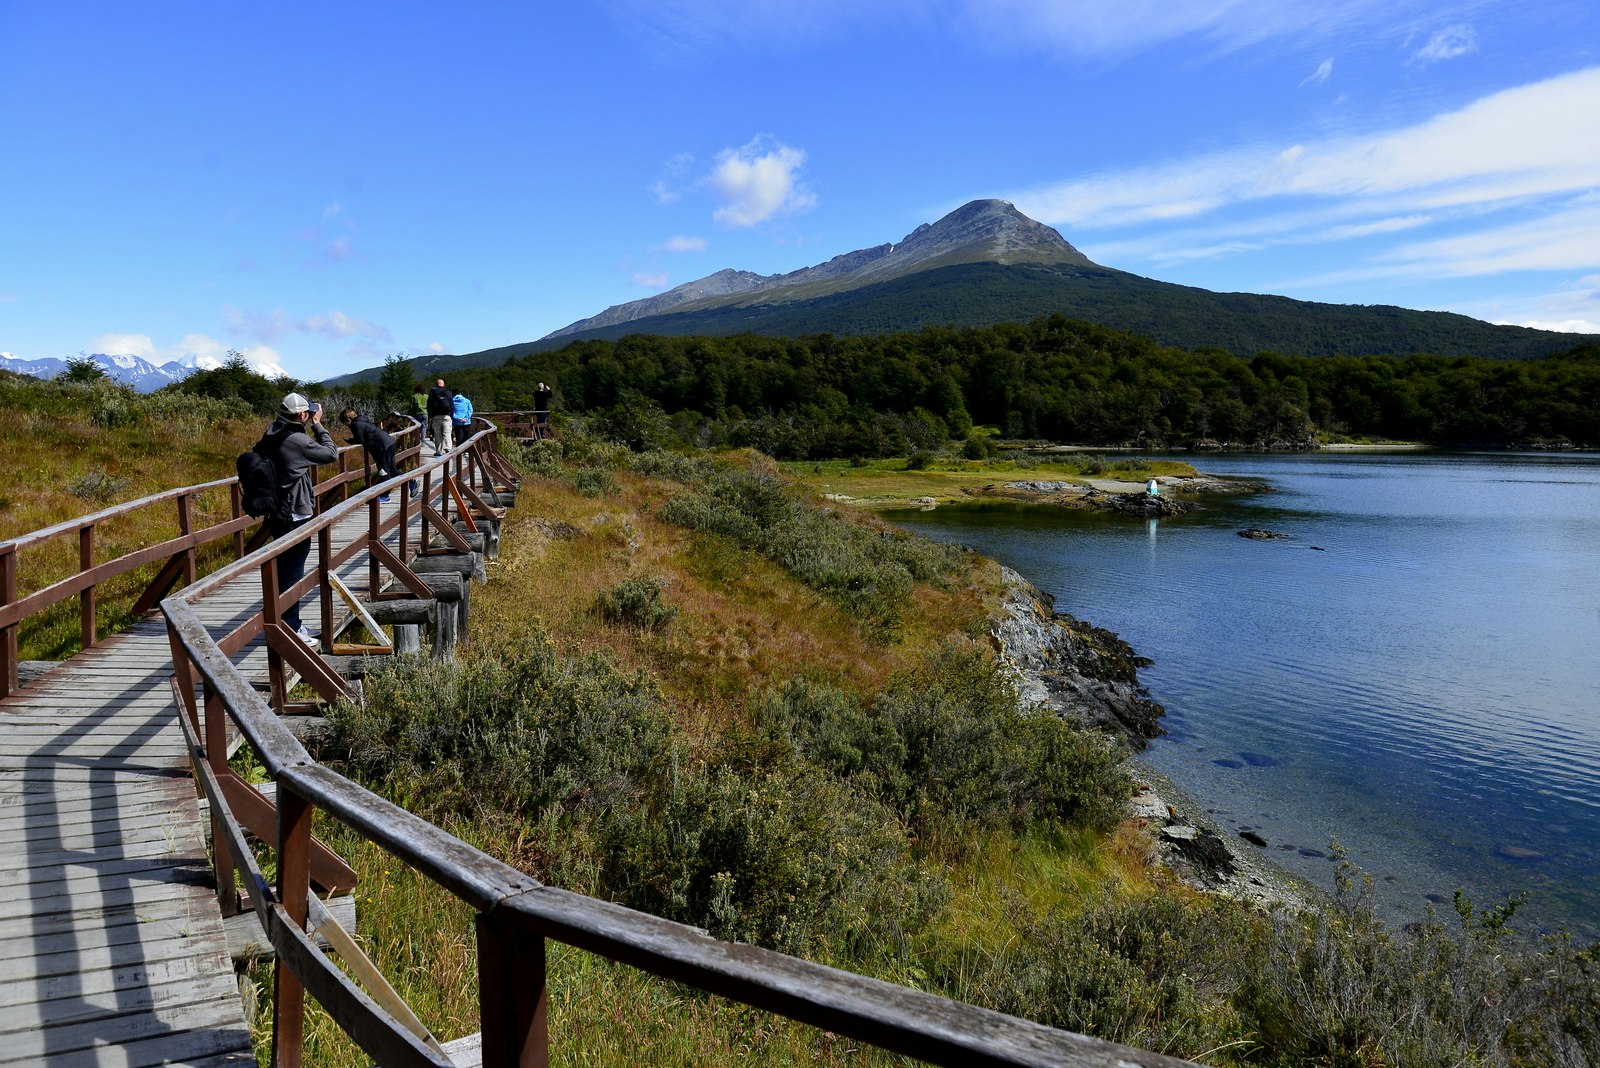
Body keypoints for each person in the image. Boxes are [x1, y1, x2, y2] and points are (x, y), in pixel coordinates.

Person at [261, 392, 338, 644]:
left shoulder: (272, 432)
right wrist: (318, 425)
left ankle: (286, 621)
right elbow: (331, 454)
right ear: (302, 415)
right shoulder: (297, 439)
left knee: (284, 567)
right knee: (292, 571)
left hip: (276, 510)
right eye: (308, 413)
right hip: (294, 511)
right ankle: (290, 627)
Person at [339, 406, 398, 502]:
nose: (346, 425)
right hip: (389, 442)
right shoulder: (363, 420)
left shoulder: (355, 425)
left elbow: (360, 439)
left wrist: (350, 441)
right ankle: (412, 482)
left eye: (345, 423)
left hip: (383, 446)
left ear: (348, 419)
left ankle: (385, 496)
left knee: (383, 471)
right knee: (391, 469)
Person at [426, 378, 453, 454]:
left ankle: (439, 451)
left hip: (436, 416)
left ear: (436, 384)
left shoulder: (433, 392)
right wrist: (451, 415)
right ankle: (448, 448)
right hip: (447, 416)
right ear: (443, 384)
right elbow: (452, 404)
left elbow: (429, 405)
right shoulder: (447, 392)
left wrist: (430, 415)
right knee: (447, 432)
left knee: (437, 434)